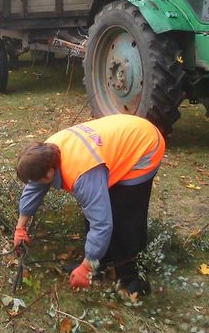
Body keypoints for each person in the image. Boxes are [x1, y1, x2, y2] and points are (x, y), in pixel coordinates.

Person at [13, 114, 165, 296]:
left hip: (143, 146)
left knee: (125, 218)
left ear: (50, 173)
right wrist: (20, 228)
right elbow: (34, 188)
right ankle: (100, 264)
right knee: (97, 208)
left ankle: (134, 280)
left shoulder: (81, 175)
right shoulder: (44, 154)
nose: (36, 183)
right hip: (117, 138)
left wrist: (85, 268)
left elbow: (101, 224)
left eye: (38, 180)